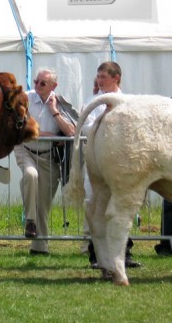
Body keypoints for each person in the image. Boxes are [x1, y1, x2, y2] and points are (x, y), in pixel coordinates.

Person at [82, 61, 140, 268]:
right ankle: (96, 255)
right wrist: (107, 126)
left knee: (121, 205)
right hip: (97, 162)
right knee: (97, 204)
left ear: (116, 78)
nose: (99, 81)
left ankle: (124, 253)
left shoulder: (129, 102)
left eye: (103, 77)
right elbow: (87, 129)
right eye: (98, 77)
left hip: (122, 163)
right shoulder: (93, 102)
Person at [13, 68, 76, 255]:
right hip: (26, 149)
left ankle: (39, 248)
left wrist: (53, 111)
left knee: (44, 204)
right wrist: (47, 134)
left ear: (53, 86)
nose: (37, 86)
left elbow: (72, 132)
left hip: (49, 157)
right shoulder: (25, 98)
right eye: (36, 81)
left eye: (43, 83)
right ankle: (29, 221)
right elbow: (20, 125)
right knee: (30, 175)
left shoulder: (60, 102)